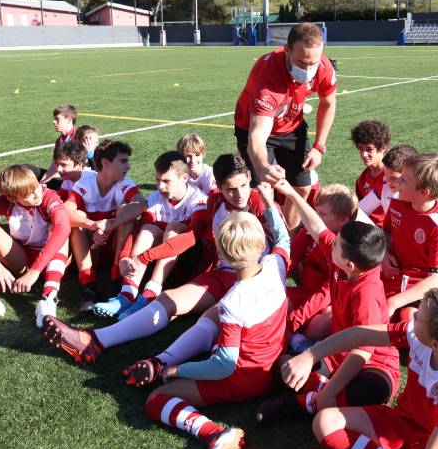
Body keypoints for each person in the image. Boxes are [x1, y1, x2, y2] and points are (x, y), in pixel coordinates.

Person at [41, 153, 281, 365]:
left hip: (255, 279)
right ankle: (93, 339)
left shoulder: (260, 203)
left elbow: (282, 244)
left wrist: (143, 258)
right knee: (169, 300)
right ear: (218, 186)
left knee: (211, 320)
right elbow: (163, 230)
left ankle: (160, 364)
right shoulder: (215, 201)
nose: (239, 194)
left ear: (249, 177)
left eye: (243, 185)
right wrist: (129, 254)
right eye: (230, 189)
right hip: (223, 273)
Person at [129, 185, 290, 449]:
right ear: (262, 244)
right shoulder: (277, 264)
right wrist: (269, 202)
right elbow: (284, 237)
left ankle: (214, 433)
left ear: (223, 257)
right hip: (271, 363)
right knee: (209, 317)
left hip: (245, 380)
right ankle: (164, 359)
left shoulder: (232, 303)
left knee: (157, 399)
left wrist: (179, 370)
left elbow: (223, 365)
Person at [256, 178, 400, 425]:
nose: (329, 243)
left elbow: (362, 352)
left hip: (375, 366)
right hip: (337, 355)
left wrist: (330, 390)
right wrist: (291, 192)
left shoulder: (366, 292)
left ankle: (305, 402)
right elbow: (315, 226)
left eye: (336, 246)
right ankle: (317, 396)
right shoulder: (345, 260)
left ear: (349, 265)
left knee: (372, 390)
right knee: (286, 369)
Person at [282, 288, 438, 449]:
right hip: (404, 422)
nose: (413, 314)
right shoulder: (418, 335)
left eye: (419, 317)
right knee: (325, 421)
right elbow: (360, 334)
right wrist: (310, 354)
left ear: (436, 344)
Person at [233, 22, 337, 228]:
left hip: (291, 124)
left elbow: (328, 103)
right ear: (287, 50)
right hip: (253, 127)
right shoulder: (267, 76)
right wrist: (263, 166)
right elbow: (258, 135)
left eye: (313, 63)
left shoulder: (324, 67)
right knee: (263, 189)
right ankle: (264, 240)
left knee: (303, 187)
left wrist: (319, 147)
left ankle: (286, 237)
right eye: (301, 62)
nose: (308, 70)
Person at [93, 151, 207, 317]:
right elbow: (140, 227)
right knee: (148, 229)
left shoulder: (198, 200)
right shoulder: (156, 198)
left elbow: (191, 239)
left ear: (184, 178)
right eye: (157, 180)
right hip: (162, 260)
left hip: (189, 265)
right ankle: (127, 294)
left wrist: (144, 257)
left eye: (167, 181)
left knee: (174, 228)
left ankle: (150, 294)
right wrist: (124, 256)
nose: (160, 186)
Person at [0, 165, 72, 330]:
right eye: (28, 193)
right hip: (23, 260)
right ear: (12, 198)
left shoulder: (48, 196)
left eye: (36, 187)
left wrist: (34, 272)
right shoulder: (5, 202)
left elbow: (63, 228)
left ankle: (48, 298)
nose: (36, 194)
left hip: (51, 263)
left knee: (59, 230)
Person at [62, 139, 146, 311]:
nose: (128, 166)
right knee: (78, 217)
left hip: (114, 247)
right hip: (92, 248)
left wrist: (109, 225)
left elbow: (140, 204)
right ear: (105, 163)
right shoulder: (85, 181)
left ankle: (116, 281)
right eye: (123, 161)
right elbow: (65, 211)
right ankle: (89, 285)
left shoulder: (125, 183)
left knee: (126, 213)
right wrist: (93, 225)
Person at [383, 152, 438, 319]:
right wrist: (384, 255)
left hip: (417, 288)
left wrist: (393, 303)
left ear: (424, 192)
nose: (396, 181)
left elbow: (436, 280)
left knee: (410, 316)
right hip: (390, 277)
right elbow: (386, 232)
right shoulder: (397, 201)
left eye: (404, 180)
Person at [286, 184, 363, 344]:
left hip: (327, 302)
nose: (314, 216)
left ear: (343, 219)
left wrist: (298, 317)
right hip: (305, 293)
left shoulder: (342, 250)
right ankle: (297, 338)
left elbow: (326, 292)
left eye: (321, 213)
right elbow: (288, 259)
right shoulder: (307, 233)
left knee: (327, 322)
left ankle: (297, 338)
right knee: (275, 302)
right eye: (315, 211)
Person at [358, 143, 417, 228]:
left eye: (393, 178)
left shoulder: (425, 198)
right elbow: (359, 211)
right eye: (385, 175)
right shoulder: (384, 186)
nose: (387, 181)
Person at [350, 120, 391, 227]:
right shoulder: (362, 179)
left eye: (369, 149)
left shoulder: (393, 177)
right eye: (361, 149)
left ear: (383, 148)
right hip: (368, 228)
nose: (364, 154)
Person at [39, 104, 79, 185]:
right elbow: (54, 167)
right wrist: (41, 184)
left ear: (69, 120)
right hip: (64, 176)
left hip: (76, 182)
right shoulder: (59, 141)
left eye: (57, 119)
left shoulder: (78, 138)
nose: (53, 122)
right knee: (28, 169)